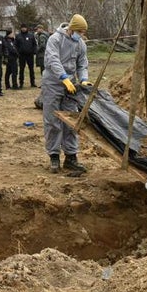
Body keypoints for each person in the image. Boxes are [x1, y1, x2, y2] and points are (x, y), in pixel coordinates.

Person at [41, 14, 90, 174]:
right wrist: (63, 78)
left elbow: (82, 63)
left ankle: (71, 157)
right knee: (53, 120)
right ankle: (54, 156)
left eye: (83, 33)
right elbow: (53, 60)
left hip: (71, 87)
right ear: (72, 29)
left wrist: (83, 79)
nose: (81, 35)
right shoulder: (55, 40)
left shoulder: (80, 44)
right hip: (53, 83)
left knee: (71, 121)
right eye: (80, 32)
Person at [15, 24, 37, 89]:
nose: (23, 29)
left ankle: (32, 83)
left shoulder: (31, 35)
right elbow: (15, 45)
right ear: (21, 28)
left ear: (27, 28)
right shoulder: (18, 36)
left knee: (31, 69)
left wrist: (34, 51)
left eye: (25, 28)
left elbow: (34, 44)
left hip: (30, 55)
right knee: (21, 69)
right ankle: (21, 83)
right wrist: (18, 52)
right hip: (22, 55)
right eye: (22, 28)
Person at [32, 24, 48, 89]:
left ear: (41, 29)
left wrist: (36, 50)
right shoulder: (45, 35)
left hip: (42, 55)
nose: (37, 30)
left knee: (43, 70)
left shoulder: (42, 36)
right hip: (45, 54)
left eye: (37, 29)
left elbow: (42, 45)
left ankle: (44, 84)